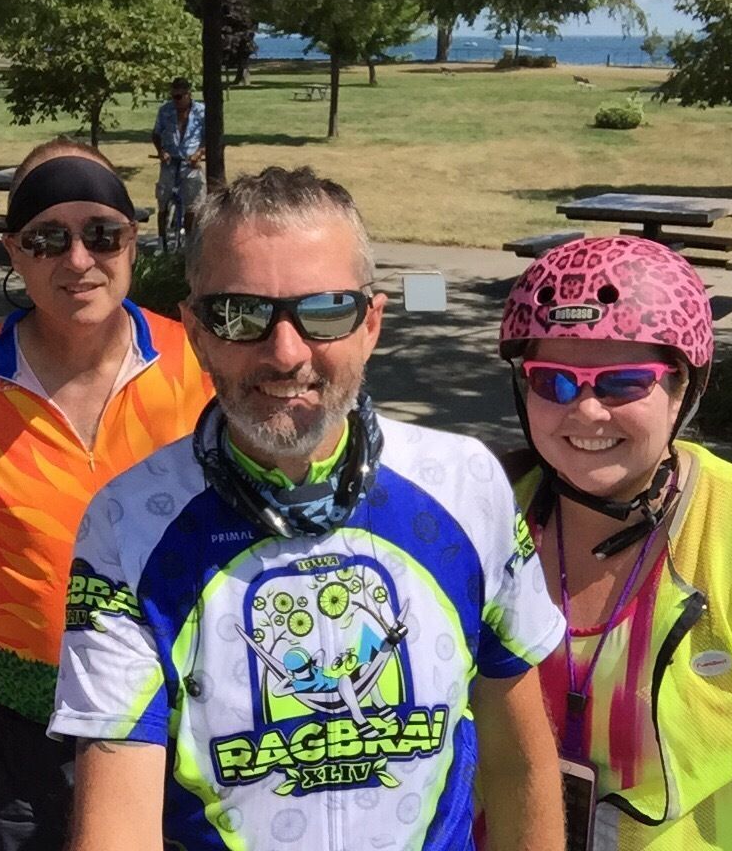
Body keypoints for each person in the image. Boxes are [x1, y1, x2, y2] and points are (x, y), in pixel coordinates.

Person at [49, 166, 568, 851]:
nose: (286, 353)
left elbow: (518, 762)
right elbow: (117, 822)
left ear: (372, 323)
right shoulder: (129, 522)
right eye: (240, 315)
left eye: (325, 311)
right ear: (196, 331)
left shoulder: (465, 484)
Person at [0, 139, 213, 851]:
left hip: (188, 714)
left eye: (102, 234)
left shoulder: (202, 360)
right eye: (47, 239)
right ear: (14, 251)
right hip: (24, 729)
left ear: (133, 238)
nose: (78, 259)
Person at [497, 235, 732, 850]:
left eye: (624, 383)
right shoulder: (484, 514)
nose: (587, 411)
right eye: (554, 382)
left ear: (683, 388)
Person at [151, 76, 206, 247]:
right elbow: (156, 134)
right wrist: (161, 152)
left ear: (188, 95)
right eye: (173, 96)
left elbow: (209, 136)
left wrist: (199, 153)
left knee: (194, 203)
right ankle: (162, 240)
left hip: (190, 162)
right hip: (170, 162)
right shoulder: (165, 110)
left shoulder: (201, 112)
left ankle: (189, 241)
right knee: (163, 199)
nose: (176, 100)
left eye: (179, 96)